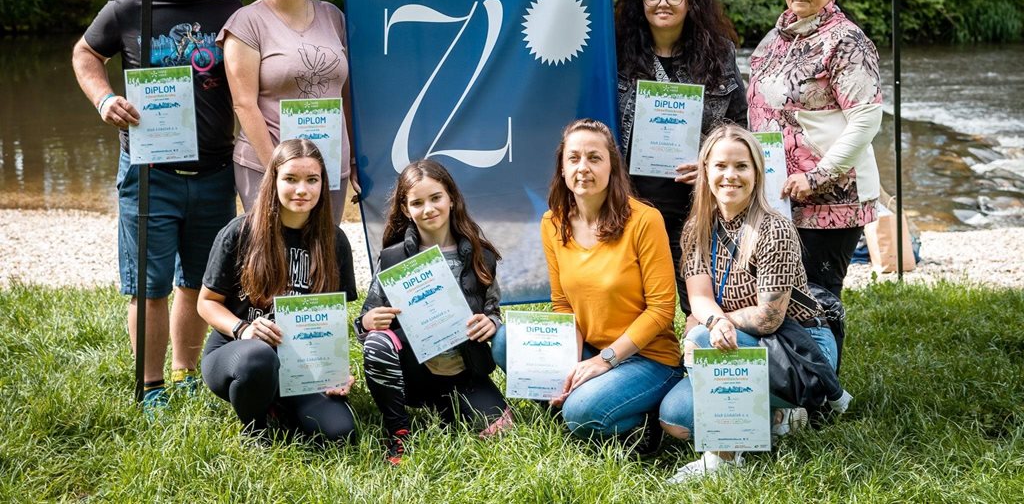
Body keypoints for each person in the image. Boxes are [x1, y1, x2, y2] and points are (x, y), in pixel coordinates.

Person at [71, 0, 242, 412]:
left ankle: (185, 373)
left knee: (199, 279)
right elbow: (85, 54)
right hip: (149, 172)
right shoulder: (129, 7)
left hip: (216, 171)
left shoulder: (231, 10)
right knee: (149, 286)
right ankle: (150, 387)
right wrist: (104, 99)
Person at [659, 125, 849, 482]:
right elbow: (699, 297)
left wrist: (713, 324)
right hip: (736, 339)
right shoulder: (697, 228)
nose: (730, 175)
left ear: (757, 173)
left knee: (700, 338)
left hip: (798, 347)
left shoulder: (774, 229)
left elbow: (767, 319)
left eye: (741, 166)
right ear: (705, 171)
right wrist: (714, 322)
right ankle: (775, 417)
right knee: (676, 418)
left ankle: (725, 460)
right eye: (720, 165)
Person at [747, 0, 882, 303]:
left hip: (829, 196)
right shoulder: (776, 37)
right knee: (778, 298)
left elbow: (866, 119)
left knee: (817, 299)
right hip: (778, 193)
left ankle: (827, 346)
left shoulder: (847, 41)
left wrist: (816, 177)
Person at [198, 139, 358, 443]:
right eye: (291, 179)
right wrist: (243, 329)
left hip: (301, 361)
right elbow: (206, 303)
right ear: (273, 180)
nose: (302, 190)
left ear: (323, 184)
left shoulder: (335, 241)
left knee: (340, 433)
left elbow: (333, 321)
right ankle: (256, 428)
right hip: (238, 355)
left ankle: (278, 404)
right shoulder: (240, 232)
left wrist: (335, 370)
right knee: (259, 358)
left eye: (312, 180)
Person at [535, 118, 682, 448]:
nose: (583, 168)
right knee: (506, 344)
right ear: (562, 167)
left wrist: (604, 361)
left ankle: (644, 422)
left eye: (594, 158)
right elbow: (563, 305)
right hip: (591, 349)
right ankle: (593, 401)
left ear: (612, 166)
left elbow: (662, 310)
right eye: (574, 158)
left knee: (580, 412)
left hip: (648, 358)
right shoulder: (552, 222)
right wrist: (570, 367)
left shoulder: (644, 220)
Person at [615, 0, 748, 318]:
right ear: (640, 1)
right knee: (633, 308)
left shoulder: (719, 53)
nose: (663, 3)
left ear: (690, 1)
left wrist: (709, 163)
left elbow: (739, 126)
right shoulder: (615, 55)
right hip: (632, 203)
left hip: (699, 204)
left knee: (702, 306)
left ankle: (701, 352)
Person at [356, 160, 510, 465]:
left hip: (465, 371)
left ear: (451, 198)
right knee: (377, 343)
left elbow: (493, 309)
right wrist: (368, 321)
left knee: (500, 432)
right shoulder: (392, 259)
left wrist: (491, 323)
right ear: (405, 209)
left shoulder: (481, 255)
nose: (428, 209)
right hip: (414, 373)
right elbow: (363, 322)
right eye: (417, 203)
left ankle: (447, 407)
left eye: (436, 198)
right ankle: (398, 430)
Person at [220, 0, 357, 224]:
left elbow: (346, 96)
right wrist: (279, 170)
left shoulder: (334, 17)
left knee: (323, 248)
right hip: (268, 166)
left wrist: (353, 158)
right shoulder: (246, 23)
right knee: (273, 250)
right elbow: (244, 104)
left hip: (328, 165)